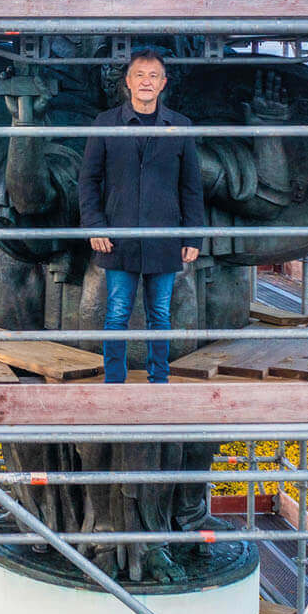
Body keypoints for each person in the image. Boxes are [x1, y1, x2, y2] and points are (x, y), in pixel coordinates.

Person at [78, 50, 207, 384]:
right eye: (140, 75)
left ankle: (159, 381)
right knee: (117, 313)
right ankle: (114, 381)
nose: (146, 82)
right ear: (128, 82)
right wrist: (94, 225)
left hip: (164, 237)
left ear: (163, 84)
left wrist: (193, 236)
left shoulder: (180, 126)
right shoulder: (106, 123)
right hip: (117, 236)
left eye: (153, 76)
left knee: (160, 315)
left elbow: (191, 186)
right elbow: (88, 181)